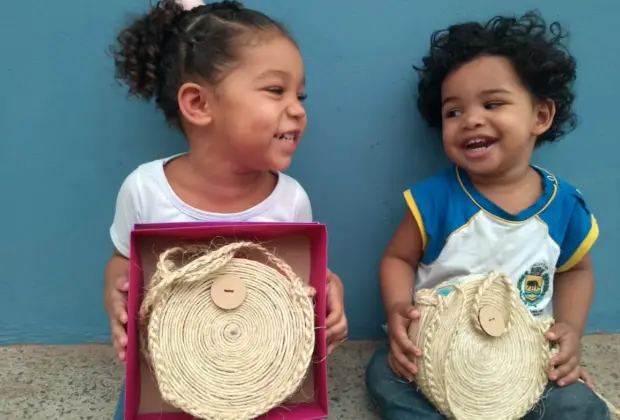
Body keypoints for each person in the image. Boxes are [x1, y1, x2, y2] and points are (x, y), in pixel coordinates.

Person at [103, 1, 348, 418]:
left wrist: (329, 291)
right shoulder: (145, 190)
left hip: (260, 376)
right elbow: (122, 263)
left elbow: (299, 281)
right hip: (172, 375)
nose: (298, 109)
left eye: (300, 95)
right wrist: (116, 294)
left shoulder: (290, 199)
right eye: (276, 90)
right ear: (199, 104)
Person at [365, 10, 609, 420]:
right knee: (385, 373)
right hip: (441, 355)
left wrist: (571, 331)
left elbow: (576, 271)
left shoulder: (564, 205)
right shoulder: (434, 198)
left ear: (541, 116)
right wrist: (396, 311)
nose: (471, 119)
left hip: (523, 361)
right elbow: (398, 258)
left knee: (579, 404)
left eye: (493, 103)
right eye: (453, 112)